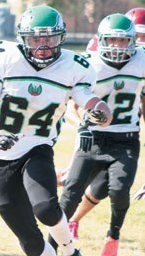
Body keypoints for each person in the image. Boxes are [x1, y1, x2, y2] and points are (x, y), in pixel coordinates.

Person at [0, 4, 112, 256]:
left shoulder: (73, 66)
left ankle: (70, 250)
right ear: (23, 39)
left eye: (49, 38)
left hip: (37, 146)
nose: (43, 46)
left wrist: (101, 112)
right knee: (29, 240)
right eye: (35, 39)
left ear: (61, 37)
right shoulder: (2, 58)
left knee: (45, 207)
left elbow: (92, 103)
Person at [56, 13, 145, 256]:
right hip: (93, 138)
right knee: (70, 194)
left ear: (133, 41)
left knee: (118, 190)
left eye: (123, 41)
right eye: (112, 40)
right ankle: (52, 245)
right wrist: (82, 125)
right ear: (101, 40)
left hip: (126, 139)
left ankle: (113, 236)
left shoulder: (142, 61)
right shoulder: (89, 64)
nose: (117, 47)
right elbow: (68, 107)